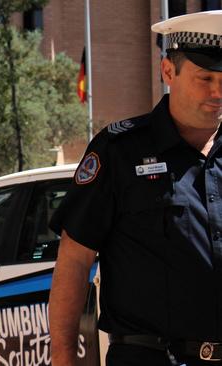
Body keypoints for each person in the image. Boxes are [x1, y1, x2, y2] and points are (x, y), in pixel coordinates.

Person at [48, 10, 222, 366]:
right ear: (168, 71)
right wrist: (63, 356)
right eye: (205, 77)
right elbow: (75, 259)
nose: (218, 91)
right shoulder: (120, 151)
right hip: (153, 356)